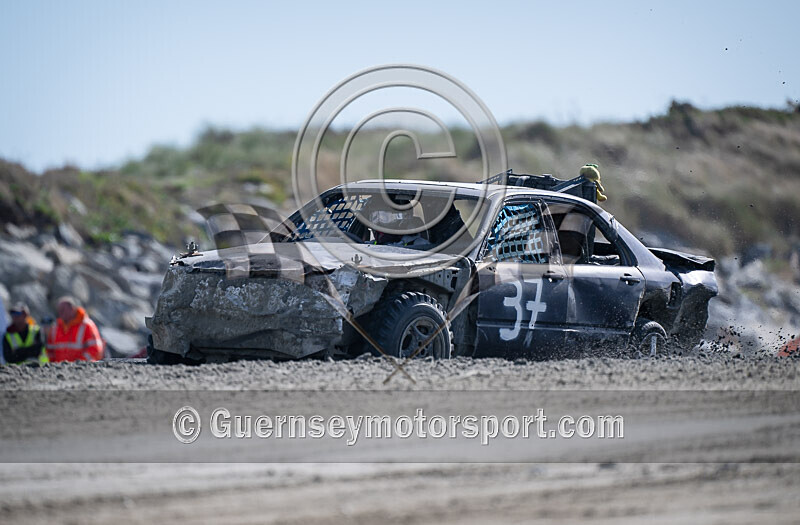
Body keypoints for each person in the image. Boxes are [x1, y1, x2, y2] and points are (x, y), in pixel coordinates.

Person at [46, 296, 104, 362]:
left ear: (72, 309)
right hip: (59, 367)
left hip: (82, 367)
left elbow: (95, 349)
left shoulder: (86, 325)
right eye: (59, 310)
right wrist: (53, 365)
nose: (61, 312)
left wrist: (80, 363)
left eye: (63, 309)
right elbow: (50, 350)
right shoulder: (55, 327)